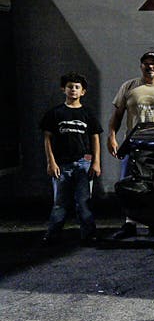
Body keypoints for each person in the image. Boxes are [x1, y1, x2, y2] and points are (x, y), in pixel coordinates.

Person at [107, 50, 154, 239]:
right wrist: (111, 136)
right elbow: (117, 115)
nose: (150, 66)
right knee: (130, 184)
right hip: (134, 145)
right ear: (141, 66)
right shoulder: (129, 87)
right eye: (146, 63)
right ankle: (129, 223)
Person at [40, 72, 103, 245]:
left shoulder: (87, 113)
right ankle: (53, 234)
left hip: (84, 163)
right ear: (63, 89)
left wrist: (96, 162)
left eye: (77, 87)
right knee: (60, 202)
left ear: (83, 91)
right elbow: (47, 138)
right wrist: (51, 162)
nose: (73, 90)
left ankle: (89, 234)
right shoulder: (55, 113)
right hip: (62, 164)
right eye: (69, 87)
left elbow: (95, 138)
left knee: (83, 202)